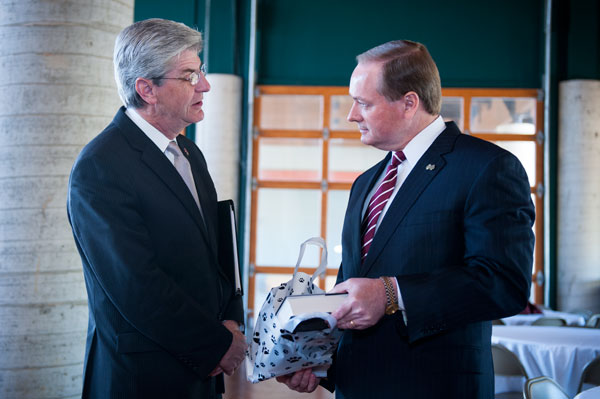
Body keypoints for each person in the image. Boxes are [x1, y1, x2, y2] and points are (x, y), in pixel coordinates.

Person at [276, 40, 535, 398]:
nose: (351, 115)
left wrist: (391, 294)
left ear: (409, 103)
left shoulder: (488, 167)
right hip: (356, 386)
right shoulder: (365, 182)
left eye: (363, 103)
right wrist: (317, 358)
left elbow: (504, 283)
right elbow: (353, 286)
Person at [67, 19, 246, 398]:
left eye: (201, 71)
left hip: (199, 369)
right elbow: (136, 285)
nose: (205, 85)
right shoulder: (101, 166)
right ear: (146, 89)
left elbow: (212, 251)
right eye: (189, 75)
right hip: (141, 376)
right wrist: (214, 344)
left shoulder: (189, 151)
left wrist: (230, 320)